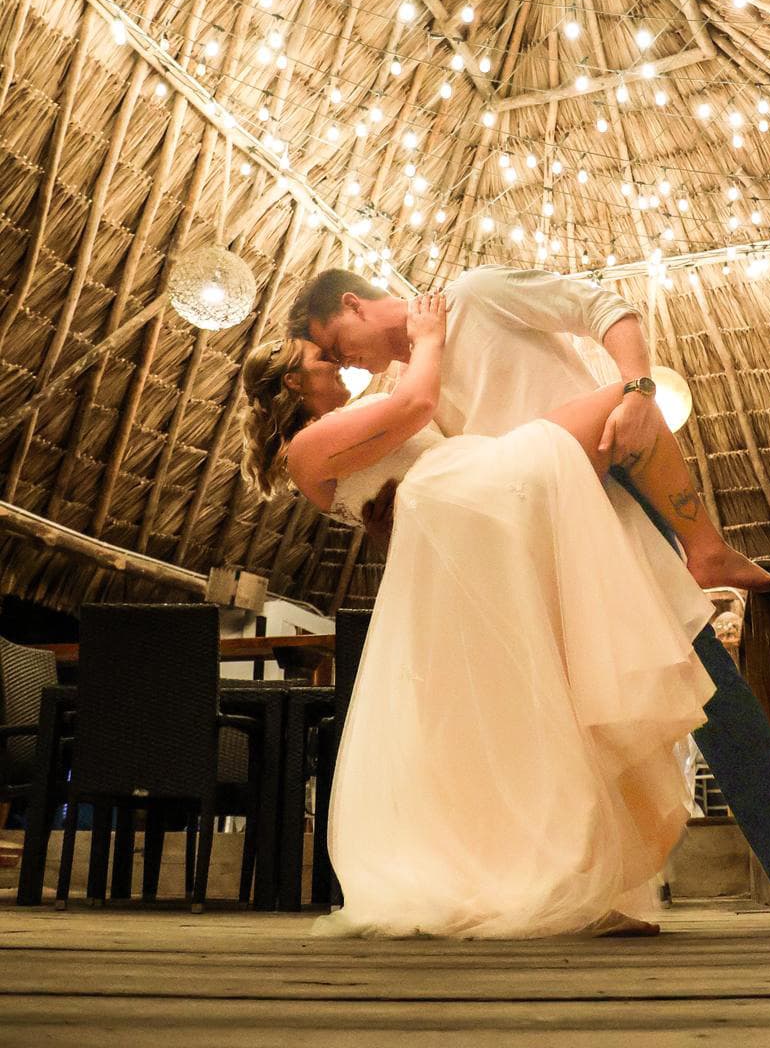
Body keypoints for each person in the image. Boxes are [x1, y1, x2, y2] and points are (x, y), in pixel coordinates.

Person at [290, 265, 770, 934]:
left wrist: (640, 392)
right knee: (570, 731)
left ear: (354, 305)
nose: (345, 364)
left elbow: (605, 307)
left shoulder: (473, 298)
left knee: (711, 687)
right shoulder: (418, 376)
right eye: (328, 362)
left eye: (336, 345)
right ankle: (586, 892)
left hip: (607, 517)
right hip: (528, 564)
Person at [241, 295, 716, 936]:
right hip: (459, 506)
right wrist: (431, 336)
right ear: (295, 384)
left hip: (462, 530)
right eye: (320, 361)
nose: (335, 365)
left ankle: (573, 879)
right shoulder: (307, 447)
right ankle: (708, 550)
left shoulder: (352, 416)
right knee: (623, 399)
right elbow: (418, 407)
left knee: (524, 708)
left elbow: (397, 466)